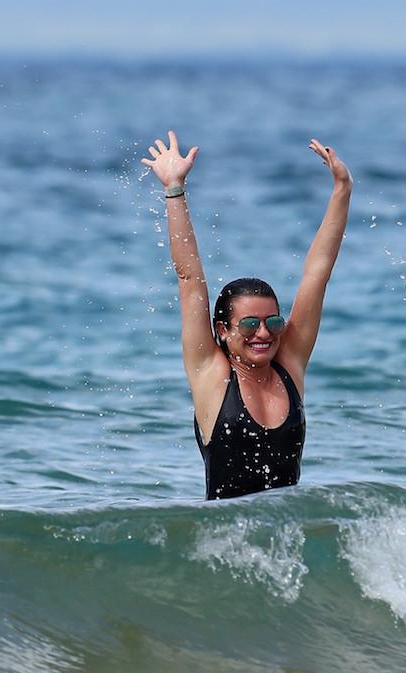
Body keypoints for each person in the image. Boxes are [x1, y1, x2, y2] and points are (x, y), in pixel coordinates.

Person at [142, 131, 352, 500]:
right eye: (250, 324)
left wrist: (342, 189)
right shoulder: (211, 373)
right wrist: (174, 190)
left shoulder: (289, 364)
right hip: (222, 542)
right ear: (222, 330)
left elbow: (318, 272)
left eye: (272, 322)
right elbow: (189, 279)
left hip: (285, 542)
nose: (264, 334)